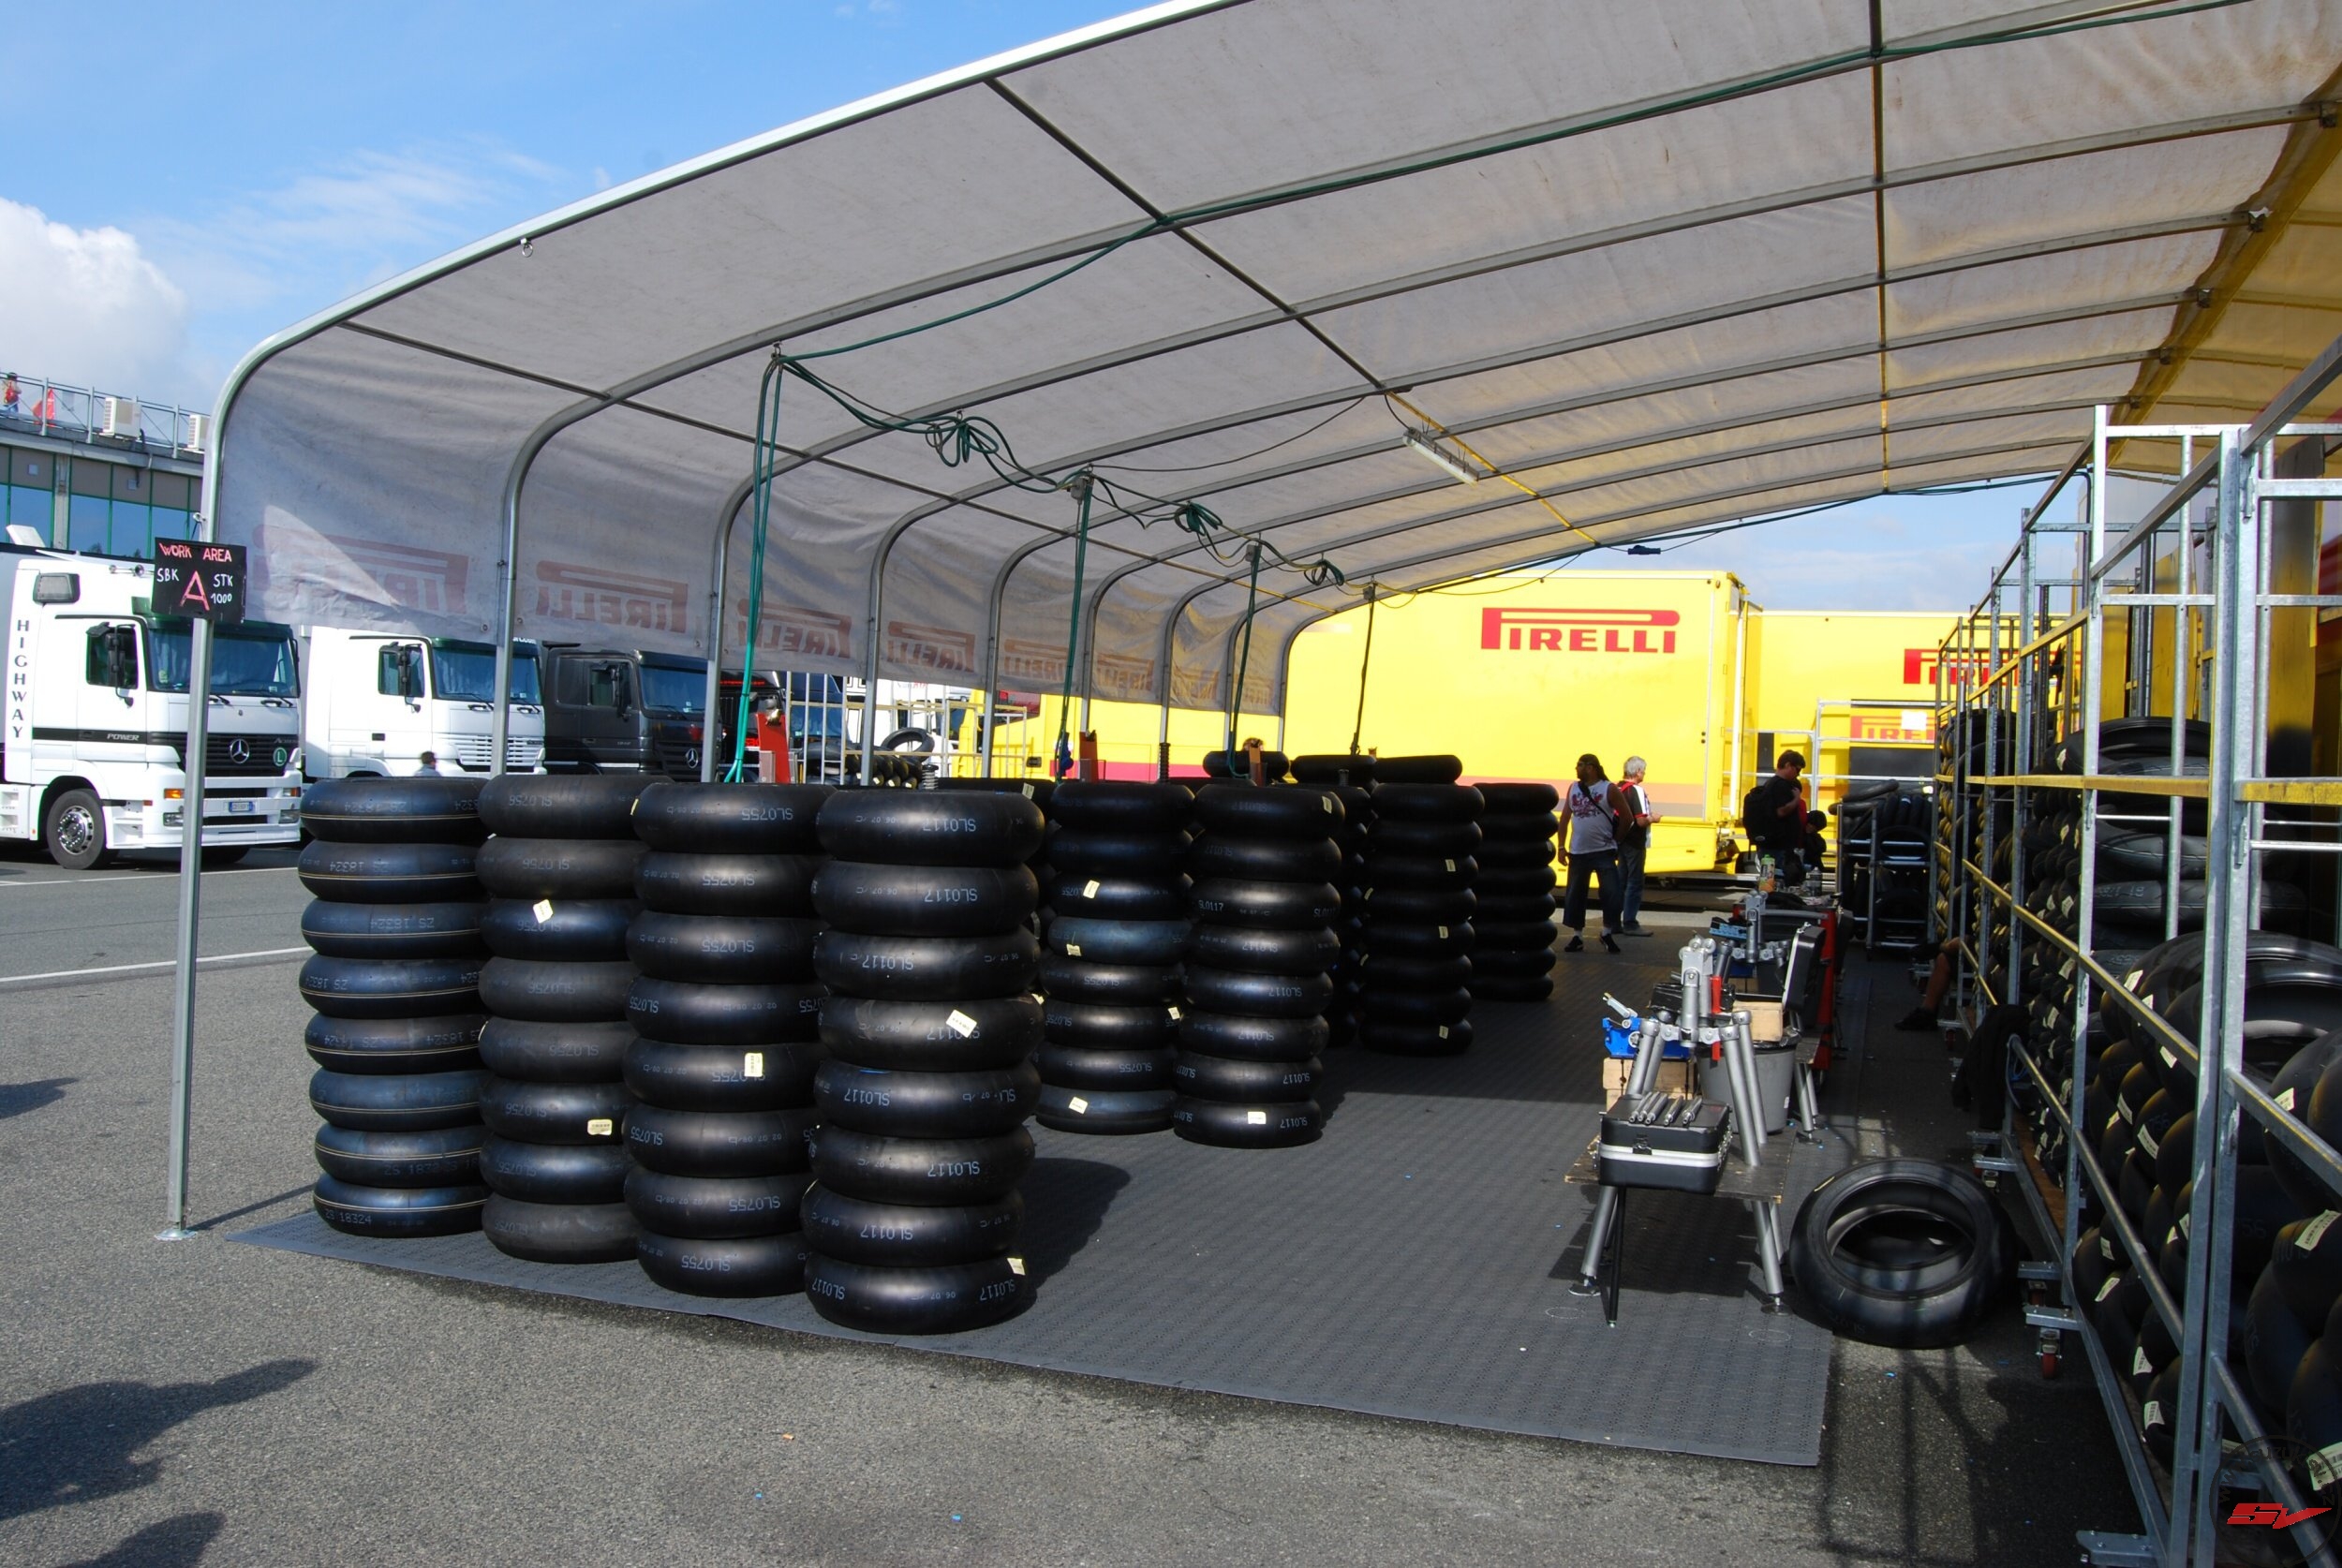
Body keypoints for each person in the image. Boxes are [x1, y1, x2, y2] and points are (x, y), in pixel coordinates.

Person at [1560, 752, 1625, 954]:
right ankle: (1577, 936)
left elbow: (1627, 817)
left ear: (1591, 767)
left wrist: (1616, 840)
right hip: (1578, 851)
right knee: (1575, 894)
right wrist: (1561, 847)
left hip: (1603, 851)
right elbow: (1564, 818)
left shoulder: (1609, 789)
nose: (1576, 768)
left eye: (1580, 765)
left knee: (1611, 893)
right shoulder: (1573, 788)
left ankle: (1607, 932)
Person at [1742, 749, 1810, 884]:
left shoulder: (1770, 783)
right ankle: (1773, 896)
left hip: (1769, 843)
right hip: (1778, 844)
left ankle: (1766, 896)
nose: (1798, 774)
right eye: (1797, 770)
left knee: (1768, 881)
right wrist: (1796, 799)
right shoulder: (1781, 786)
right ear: (1788, 765)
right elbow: (1781, 811)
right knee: (1781, 879)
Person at [1615, 755, 1655, 936]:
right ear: (1638, 772)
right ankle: (1630, 923)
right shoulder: (1636, 790)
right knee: (1634, 882)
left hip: (1619, 840)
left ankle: (1613, 921)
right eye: (1643, 770)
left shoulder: (1617, 788)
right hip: (1635, 842)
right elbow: (1640, 820)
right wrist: (1654, 818)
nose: (1644, 774)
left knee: (1620, 882)